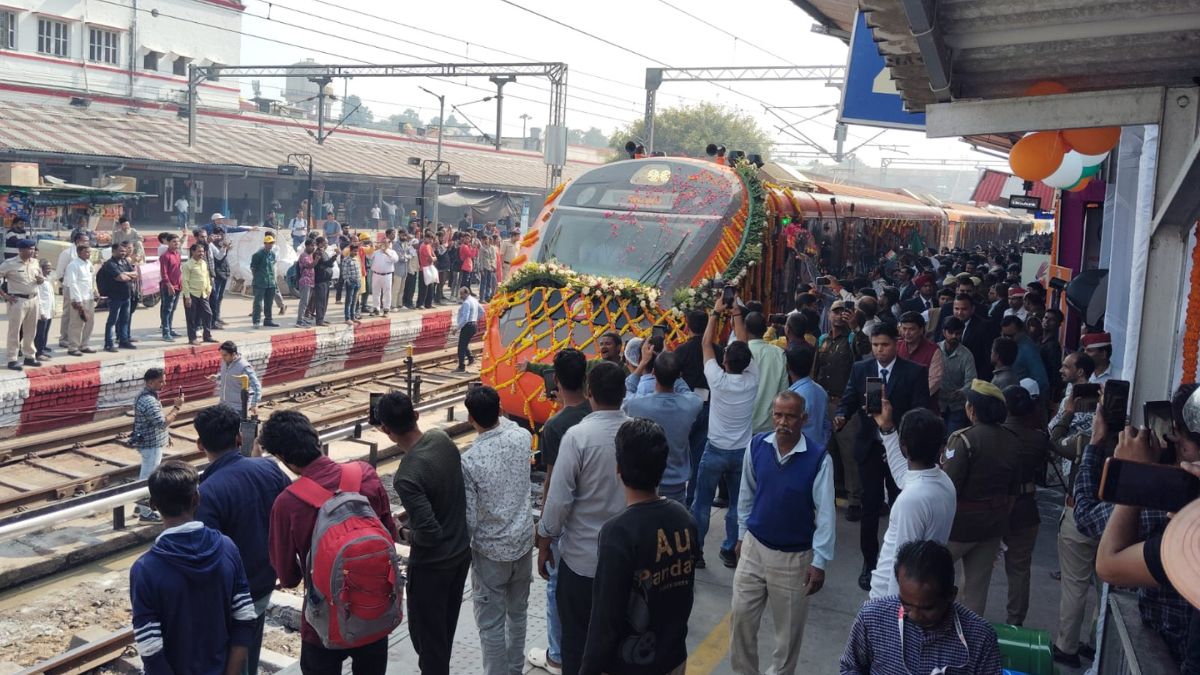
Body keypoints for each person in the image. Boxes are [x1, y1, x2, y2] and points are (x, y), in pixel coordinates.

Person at [263, 411, 397, 675]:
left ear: (283, 459)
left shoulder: (288, 503)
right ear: (315, 437)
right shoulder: (365, 475)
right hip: (374, 611)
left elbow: (288, 578)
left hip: (322, 624)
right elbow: (388, 536)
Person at [580, 419, 698, 675]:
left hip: (629, 667)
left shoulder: (617, 533)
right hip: (673, 658)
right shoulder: (684, 519)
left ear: (618, 469)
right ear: (663, 467)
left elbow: (605, 620)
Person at [536, 362, 630, 675]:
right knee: (614, 635)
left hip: (581, 561)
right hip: (623, 559)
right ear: (624, 393)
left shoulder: (577, 436)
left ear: (590, 393)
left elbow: (559, 499)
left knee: (576, 638)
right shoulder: (635, 431)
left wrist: (545, 540)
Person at [732, 391, 835, 675]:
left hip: (794, 559)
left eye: (790, 416)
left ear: (804, 419)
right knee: (740, 619)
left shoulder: (818, 458)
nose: (783, 422)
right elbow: (746, 494)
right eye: (778, 414)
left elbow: (826, 513)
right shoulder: (756, 446)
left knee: (787, 637)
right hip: (754, 547)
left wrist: (820, 561)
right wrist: (742, 535)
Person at [130, 461, 256, 675]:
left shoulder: (144, 569)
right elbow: (244, 618)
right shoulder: (227, 548)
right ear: (196, 499)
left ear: (153, 505)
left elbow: (150, 647)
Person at [376, 392, 471, 675]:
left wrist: (402, 532)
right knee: (443, 632)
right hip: (460, 555)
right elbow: (446, 488)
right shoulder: (441, 439)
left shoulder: (407, 474)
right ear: (416, 415)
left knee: (427, 640)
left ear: (385, 430)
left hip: (433, 567)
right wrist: (413, 512)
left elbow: (429, 533)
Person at [193, 404, 291, 675]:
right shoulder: (270, 470)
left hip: (230, 597)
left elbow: (208, 560)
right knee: (248, 649)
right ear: (239, 438)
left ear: (200, 444)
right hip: (264, 581)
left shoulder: (207, 493)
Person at [836, 322, 931, 591]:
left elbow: (920, 409)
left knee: (901, 509)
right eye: (875, 345)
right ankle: (870, 562)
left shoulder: (913, 372)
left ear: (896, 343)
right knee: (870, 508)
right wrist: (842, 415)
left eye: (885, 345)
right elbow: (849, 398)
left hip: (901, 453)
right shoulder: (861, 369)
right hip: (870, 449)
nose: (879, 350)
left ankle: (902, 563)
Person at [840, 540, 1002, 675]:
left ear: (951, 595)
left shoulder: (979, 637)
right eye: (906, 604)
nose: (915, 615)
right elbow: (850, 667)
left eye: (927, 608)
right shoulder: (872, 617)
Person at [460, 386, 535, 675]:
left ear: (470, 418)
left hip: (490, 552)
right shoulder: (522, 437)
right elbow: (509, 425)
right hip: (523, 543)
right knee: (518, 614)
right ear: (500, 410)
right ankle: (515, 670)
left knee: (491, 624)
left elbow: (469, 517)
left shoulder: (470, 460)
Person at [527, 348, 591, 675]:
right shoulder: (599, 413)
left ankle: (556, 654)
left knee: (555, 585)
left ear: (557, 380)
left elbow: (551, 482)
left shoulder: (556, 426)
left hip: (566, 520)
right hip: (595, 516)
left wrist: (543, 533)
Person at [941, 379, 1019, 616]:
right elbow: (1013, 492)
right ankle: (969, 644)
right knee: (976, 592)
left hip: (959, 526)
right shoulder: (1012, 440)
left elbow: (948, 488)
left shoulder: (963, 438)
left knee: (927, 576)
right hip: (992, 524)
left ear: (972, 409)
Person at [866, 399, 956, 599]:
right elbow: (903, 476)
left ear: (904, 445)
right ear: (942, 446)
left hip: (891, 602)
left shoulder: (912, 500)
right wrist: (888, 429)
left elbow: (903, 565)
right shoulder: (942, 482)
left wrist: (893, 615)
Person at [692, 307, 758, 570]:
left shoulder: (717, 380)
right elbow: (743, 345)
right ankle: (730, 548)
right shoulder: (753, 378)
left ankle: (696, 550)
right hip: (742, 452)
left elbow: (706, 342)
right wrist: (737, 315)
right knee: (737, 504)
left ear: (725, 362)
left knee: (702, 503)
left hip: (716, 450)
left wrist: (715, 313)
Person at [622, 348, 702, 504]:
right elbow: (686, 391)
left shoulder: (637, 405)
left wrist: (642, 364)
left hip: (648, 484)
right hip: (677, 487)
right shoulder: (692, 404)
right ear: (679, 375)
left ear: (653, 374)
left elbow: (627, 390)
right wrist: (670, 363)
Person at [1001, 384, 1051, 626]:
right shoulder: (1038, 439)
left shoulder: (996, 435)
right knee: (1019, 569)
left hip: (995, 506)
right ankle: (1015, 622)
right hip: (1026, 508)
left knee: (977, 567)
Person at [815, 300, 870, 522]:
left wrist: (856, 327)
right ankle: (832, 492)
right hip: (825, 401)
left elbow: (866, 352)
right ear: (829, 315)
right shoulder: (823, 339)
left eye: (844, 312)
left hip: (845, 404)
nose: (839, 315)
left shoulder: (852, 338)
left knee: (849, 453)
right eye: (835, 311)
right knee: (827, 451)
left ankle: (855, 498)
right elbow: (816, 369)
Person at [131, 368, 182, 522]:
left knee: (147, 473)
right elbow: (161, 422)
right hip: (151, 444)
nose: (164, 384)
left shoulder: (146, 395)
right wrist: (177, 407)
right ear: (150, 382)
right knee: (149, 477)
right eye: (161, 381)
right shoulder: (148, 400)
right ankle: (145, 512)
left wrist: (166, 435)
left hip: (149, 440)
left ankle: (141, 505)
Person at [744, 312, 790, 434]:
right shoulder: (779, 354)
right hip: (769, 426)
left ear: (745, 328)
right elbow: (783, 391)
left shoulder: (740, 352)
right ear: (765, 329)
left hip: (741, 426)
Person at [938, 317, 977, 435]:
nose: (954, 336)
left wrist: (961, 392)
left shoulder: (967, 355)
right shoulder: (935, 350)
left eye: (958, 333)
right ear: (944, 332)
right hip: (937, 404)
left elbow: (972, 381)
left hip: (957, 406)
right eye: (951, 333)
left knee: (953, 438)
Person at [96, 241, 137, 353]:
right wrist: (127, 275)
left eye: (124, 251)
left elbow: (135, 274)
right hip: (115, 297)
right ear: (113, 251)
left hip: (126, 295)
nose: (123, 253)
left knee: (124, 320)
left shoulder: (124, 262)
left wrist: (126, 274)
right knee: (112, 321)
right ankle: (108, 344)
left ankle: (123, 341)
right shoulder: (110, 264)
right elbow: (120, 278)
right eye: (120, 251)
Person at [786, 346, 830, 446]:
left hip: (799, 450)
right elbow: (826, 425)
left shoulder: (792, 397)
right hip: (818, 448)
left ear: (787, 367)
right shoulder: (821, 391)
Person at [950, 294, 996, 381]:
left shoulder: (984, 327)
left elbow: (987, 359)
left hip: (975, 378)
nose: (959, 313)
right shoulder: (947, 322)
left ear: (972, 309)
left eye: (964, 309)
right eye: (956, 309)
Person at [999, 315, 1050, 393]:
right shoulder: (1008, 344)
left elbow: (1041, 381)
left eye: (1010, 336)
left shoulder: (1028, 350)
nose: (1007, 339)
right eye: (1004, 335)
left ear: (1021, 332)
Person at [63, 243, 96, 356]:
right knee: (76, 323)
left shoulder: (88, 264)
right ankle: (73, 347)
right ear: (79, 252)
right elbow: (73, 283)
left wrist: (95, 291)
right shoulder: (73, 265)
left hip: (89, 297)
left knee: (89, 322)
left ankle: (85, 344)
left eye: (89, 252)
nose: (89, 254)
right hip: (79, 298)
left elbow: (92, 280)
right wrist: (77, 300)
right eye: (86, 252)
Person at [212, 341, 261, 418]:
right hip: (224, 404)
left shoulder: (244, 367)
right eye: (221, 355)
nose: (223, 357)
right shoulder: (225, 362)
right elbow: (227, 374)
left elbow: (256, 386)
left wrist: (254, 404)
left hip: (238, 408)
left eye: (225, 355)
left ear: (233, 354)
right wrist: (217, 377)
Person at [181, 243, 215, 345]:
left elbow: (207, 277)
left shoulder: (204, 263)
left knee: (208, 314)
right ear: (193, 252)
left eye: (202, 251)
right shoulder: (187, 265)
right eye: (199, 251)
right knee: (191, 317)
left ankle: (207, 335)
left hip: (203, 294)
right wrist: (187, 297)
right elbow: (185, 281)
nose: (201, 253)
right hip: (192, 294)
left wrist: (209, 290)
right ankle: (192, 338)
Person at [250, 235, 280, 328]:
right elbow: (253, 268)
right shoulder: (257, 255)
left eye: (272, 243)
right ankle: (256, 321)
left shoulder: (272, 254)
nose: (271, 245)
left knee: (269, 303)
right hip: (260, 282)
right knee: (258, 303)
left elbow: (272, 267)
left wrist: (274, 282)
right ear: (265, 244)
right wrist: (258, 278)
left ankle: (268, 320)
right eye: (269, 243)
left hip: (270, 282)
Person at [159, 234, 182, 342]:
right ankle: (165, 332)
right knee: (167, 309)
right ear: (168, 243)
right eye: (174, 241)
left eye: (178, 242)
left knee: (173, 309)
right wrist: (169, 286)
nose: (176, 243)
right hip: (169, 287)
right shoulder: (165, 256)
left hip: (178, 285)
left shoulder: (177, 254)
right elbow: (164, 274)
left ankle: (170, 328)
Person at [455, 286, 483, 372]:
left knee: (461, 346)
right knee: (465, 343)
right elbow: (482, 311)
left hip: (467, 326)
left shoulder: (466, 303)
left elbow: (465, 318)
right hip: (473, 325)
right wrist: (475, 319)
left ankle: (461, 366)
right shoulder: (474, 300)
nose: (461, 296)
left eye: (462, 294)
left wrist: (457, 328)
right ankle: (471, 358)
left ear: (466, 293)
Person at [32, 258, 54, 361]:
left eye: (50, 268)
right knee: (40, 333)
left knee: (45, 332)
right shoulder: (39, 281)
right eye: (47, 268)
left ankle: (42, 349)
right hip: (42, 312)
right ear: (41, 269)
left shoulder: (48, 279)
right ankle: (38, 353)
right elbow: (39, 298)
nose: (49, 270)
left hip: (49, 310)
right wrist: (42, 312)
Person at [312, 237, 335, 326]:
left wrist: (332, 259)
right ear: (320, 243)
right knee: (320, 301)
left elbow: (330, 264)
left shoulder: (324, 252)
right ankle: (319, 320)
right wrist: (334, 256)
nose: (327, 244)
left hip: (326, 280)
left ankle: (322, 318)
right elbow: (328, 263)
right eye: (325, 243)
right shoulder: (318, 253)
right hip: (320, 280)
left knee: (325, 301)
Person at [295, 239, 316, 327]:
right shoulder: (304, 256)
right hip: (305, 281)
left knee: (306, 302)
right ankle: (299, 321)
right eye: (311, 245)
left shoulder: (309, 255)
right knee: (303, 302)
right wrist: (317, 260)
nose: (313, 247)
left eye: (314, 245)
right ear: (307, 246)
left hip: (310, 281)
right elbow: (310, 266)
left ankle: (303, 318)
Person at [417, 232, 437, 309]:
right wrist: (433, 259)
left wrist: (433, 259)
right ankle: (420, 304)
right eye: (429, 238)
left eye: (431, 239)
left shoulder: (429, 246)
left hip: (430, 268)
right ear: (425, 238)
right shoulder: (424, 246)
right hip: (424, 268)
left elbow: (434, 256)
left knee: (430, 287)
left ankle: (428, 303)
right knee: (423, 287)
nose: (430, 240)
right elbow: (430, 258)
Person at [477, 234, 498, 302]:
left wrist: (494, 266)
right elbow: (480, 259)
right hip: (485, 267)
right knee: (483, 283)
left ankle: (487, 297)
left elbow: (494, 258)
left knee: (489, 283)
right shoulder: (482, 248)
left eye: (487, 239)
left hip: (491, 268)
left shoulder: (492, 248)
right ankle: (481, 298)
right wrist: (481, 269)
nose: (487, 241)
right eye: (485, 239)